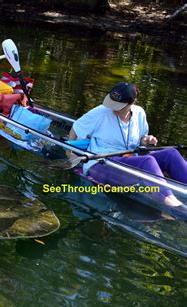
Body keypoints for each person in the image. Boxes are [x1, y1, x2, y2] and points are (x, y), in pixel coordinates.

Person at [68, 82, 186, 211]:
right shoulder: (100, 112)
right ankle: (174, 205)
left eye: (118, 106)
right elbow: (75, 129)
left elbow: (141, 140)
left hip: (129, 159)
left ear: (131, 103)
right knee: (147, 161)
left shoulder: (139, 113)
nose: (113, 108)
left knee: (171, 153)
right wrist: (69, 153)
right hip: (101, 163)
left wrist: (146, 140)